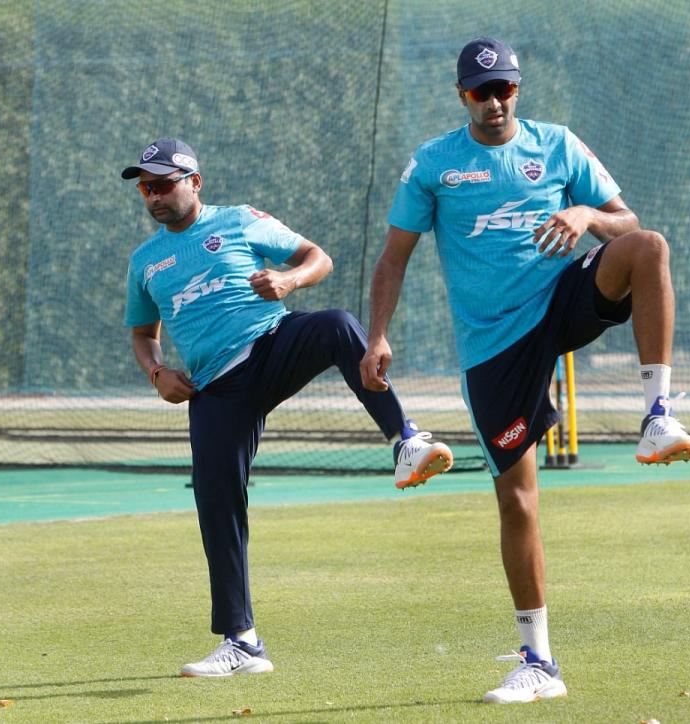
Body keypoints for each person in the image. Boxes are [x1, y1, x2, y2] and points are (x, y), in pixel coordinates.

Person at [360, 38, 690, 704]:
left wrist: (586, 213)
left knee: (647, 247)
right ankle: (539, 662)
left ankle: (658, 417)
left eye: (505, 89)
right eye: (481, 91)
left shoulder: (558, 145)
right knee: (518, 500)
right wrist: (376, 335)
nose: (494, 102)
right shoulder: (434, 165)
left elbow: (626, 223)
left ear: (519, 89)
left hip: (561, 299)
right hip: (495, 345)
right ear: (462, 95)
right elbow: (393, 257)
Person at [121, 138, 453, 678]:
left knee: (338, 325)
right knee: (216, 504)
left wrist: (288, 280)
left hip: (272, 343)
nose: (153, 195)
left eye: (163, 183)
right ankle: (242, 643)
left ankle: (406, 441)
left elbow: (316, 257)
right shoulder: (145, 262)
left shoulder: (239, 221)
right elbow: (142, 334)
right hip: (215, 388)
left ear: (195, 182)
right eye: (145, 187)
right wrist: (156, 372)